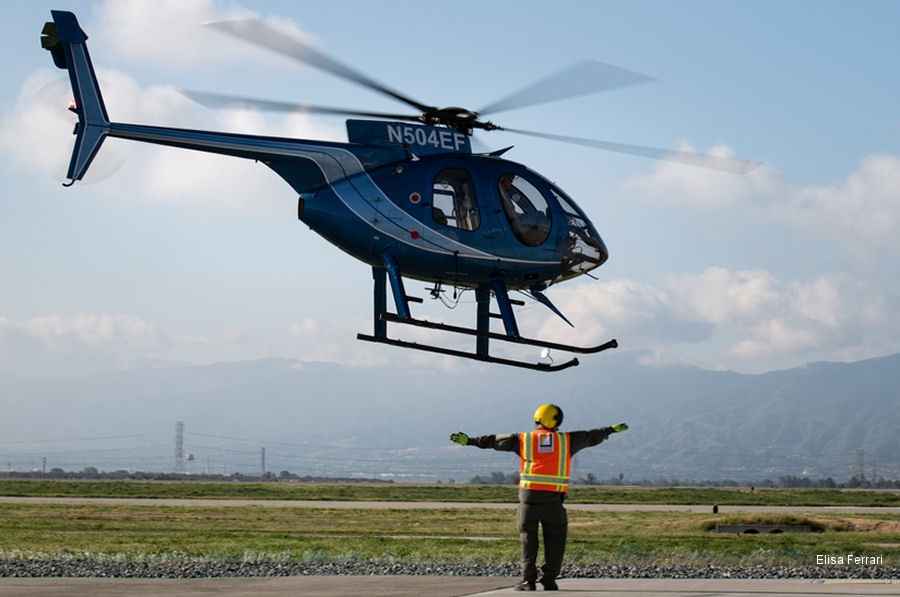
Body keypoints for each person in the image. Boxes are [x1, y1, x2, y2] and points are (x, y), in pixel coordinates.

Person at [450, 404, 628, 591]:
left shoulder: (523, 439)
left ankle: (528, 581)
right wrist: (610, 430)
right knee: (556, 540)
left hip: (529, 501)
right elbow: (591, 436)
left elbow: (495, 440)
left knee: (528, 540)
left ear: (538, 419)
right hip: (553, 501)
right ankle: (549, 580)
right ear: (557, 420)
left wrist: (469, 441)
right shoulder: (567, 440)